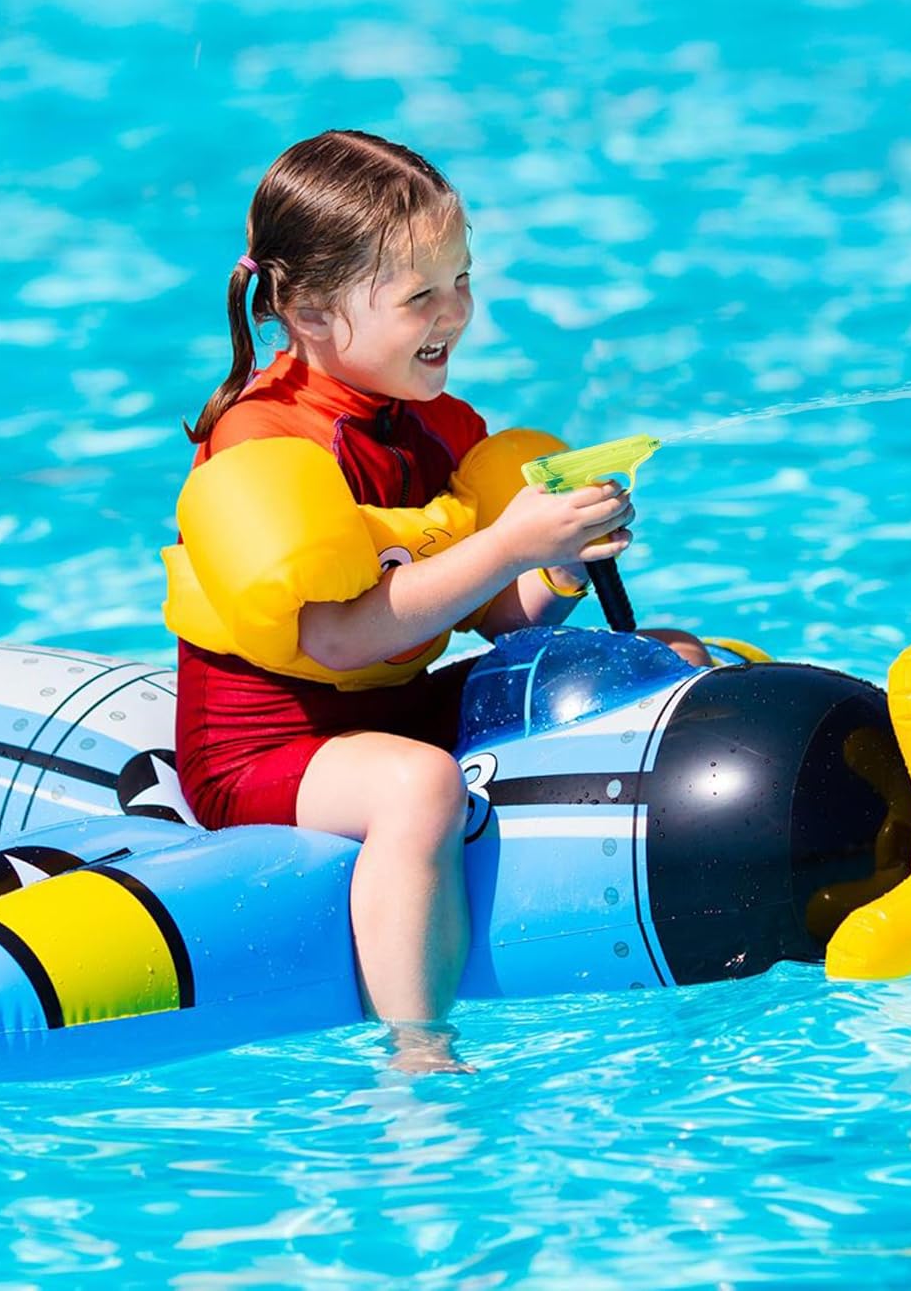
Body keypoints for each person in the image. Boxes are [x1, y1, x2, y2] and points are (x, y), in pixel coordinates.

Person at [165, 130, 706, 1070]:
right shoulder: (261, 440)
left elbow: (501, 623)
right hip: (264, 746)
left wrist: (560, 560)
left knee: (666, 659)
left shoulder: (439, 427)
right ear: (310, 310)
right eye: (420, 295)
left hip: (398, 708)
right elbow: (338, 640)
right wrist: (506, 543)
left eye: (462, 279)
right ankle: (417, 1054)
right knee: (417, 788)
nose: (455, 311)